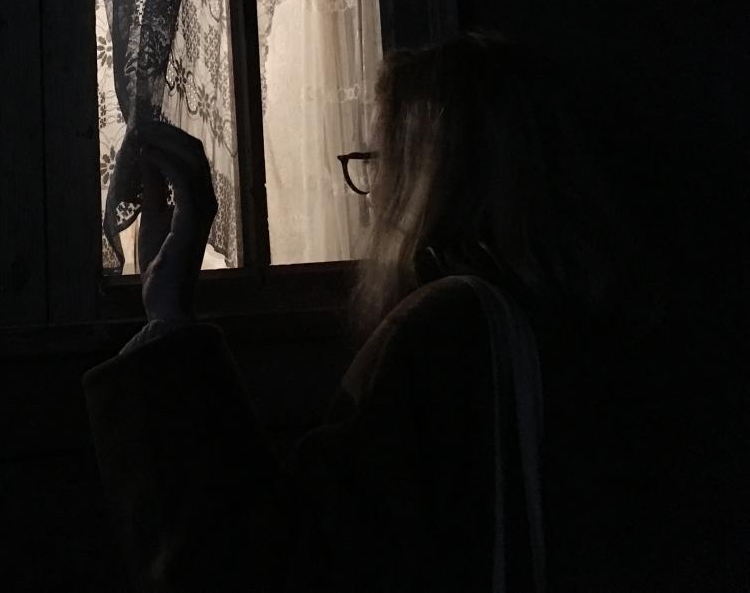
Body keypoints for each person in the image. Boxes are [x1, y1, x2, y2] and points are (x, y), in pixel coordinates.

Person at [83, 33, 625, 592]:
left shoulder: (443, 329)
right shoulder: (590, 328)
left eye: (382, 163)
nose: (374, 197)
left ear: (430, 181)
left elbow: (284, 566)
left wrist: (167, 315)